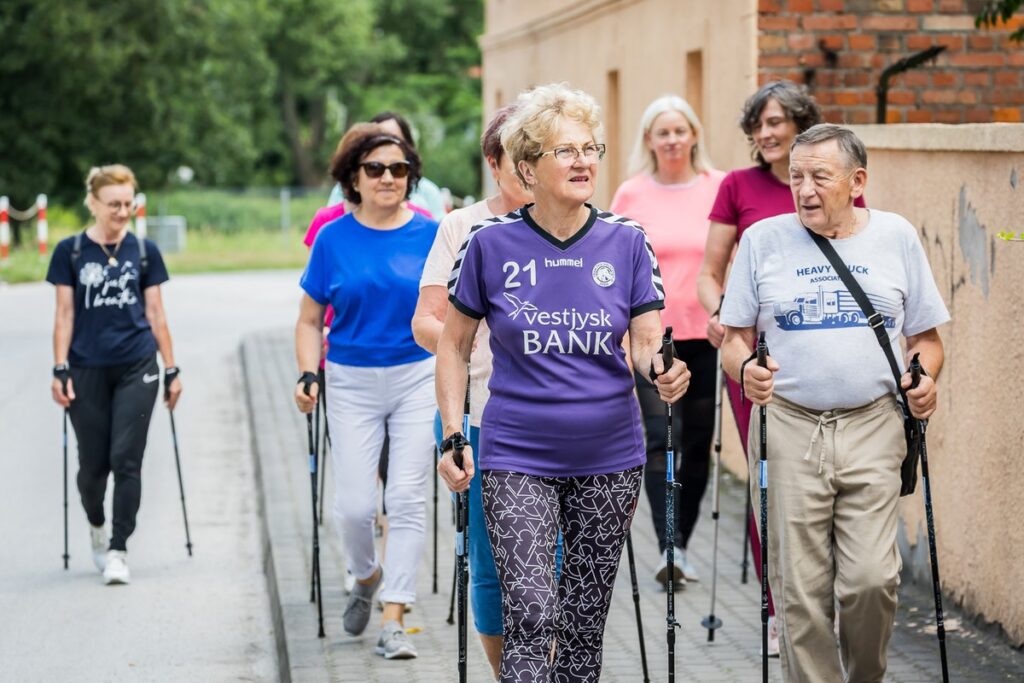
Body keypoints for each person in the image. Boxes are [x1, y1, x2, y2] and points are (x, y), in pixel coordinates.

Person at [436, 83, 690, 682]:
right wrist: (453, 433)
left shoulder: (627, 242)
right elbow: (452, 346)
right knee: (530, 613)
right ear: (526, 166)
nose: (583, 161)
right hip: (516, 454)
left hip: (610, 455)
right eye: (565, 151)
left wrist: (663, 370)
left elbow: (647, 340)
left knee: (581, 624)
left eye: (591, 148)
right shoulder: (488, 245)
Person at [720, 124, 948, 682]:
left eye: (820, 176)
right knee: (799, 592)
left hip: (874, 425)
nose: (804, 189)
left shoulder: (895, 237)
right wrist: (746, 370)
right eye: (797, 177)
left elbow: (926, 341)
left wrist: (925, 379)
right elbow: (732, 338)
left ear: (857, 181)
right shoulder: (763, 241)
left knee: (872, 580)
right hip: (790, 428)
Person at [696, 79, 852, 653]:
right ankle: (776, 607)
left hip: (827, 352)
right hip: (756, 360)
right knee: (772, 484)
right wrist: (718, 315)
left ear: (802, 125)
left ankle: (829, 600)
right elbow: (711, 273)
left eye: (776, 122)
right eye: (757, 125)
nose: (764, 133)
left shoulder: (835, 182)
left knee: (831, 487)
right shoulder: (738, 186)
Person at [413, 103, 561, 679]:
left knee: (555, 561)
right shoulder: (462, 227)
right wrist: (467, 340)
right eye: (516, 158)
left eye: (536, 156)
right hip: (480, 414)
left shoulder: (574, 223)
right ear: (494, 163)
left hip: (559, 417)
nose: (527, 170)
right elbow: (426, 321)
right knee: (496, 564)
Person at [294, 129, 438, 659]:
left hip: (416, 376)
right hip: (350, 379)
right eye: (375, 169)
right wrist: (309, 374)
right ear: (353, 177)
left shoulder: (432, 234)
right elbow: (309, 320)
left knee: (404, 497)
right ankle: (367, 574)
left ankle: (395, 615)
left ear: (410, 178)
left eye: (398, 170)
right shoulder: (333, 240)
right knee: (353, 508)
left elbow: (454, 310)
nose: (387, 178)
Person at [46, 164, 182, 585]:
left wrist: (171, 367)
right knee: (92, 469)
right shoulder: (70, 252)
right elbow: (64, 315)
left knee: (127, 459)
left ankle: (119, 548)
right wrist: (59, 368)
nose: (122, 212)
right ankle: (97, 522)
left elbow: (156, 314)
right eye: (114, 205)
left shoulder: (144, 252)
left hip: (137, 365)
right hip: (86, 369)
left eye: (128, 204)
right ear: (94, 203)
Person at [610, 95, 724, 588]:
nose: (673, 139)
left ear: (694, 135)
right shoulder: (631, 194)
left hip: (707, 334)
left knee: (696, 444)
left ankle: (683, 540)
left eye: (680, 130)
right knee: (661, 440)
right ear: (649, 140)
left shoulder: (718, 188)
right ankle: (667, 544)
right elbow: (612, 265)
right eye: (663, 132)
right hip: (652, 337)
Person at [327, 111, 447, 220]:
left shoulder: (428, 193)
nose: (387, 179)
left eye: (394, 138)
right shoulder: (340, 194)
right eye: (374, 168)